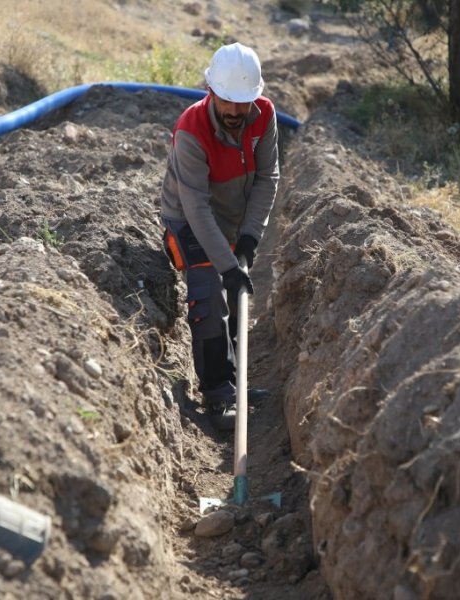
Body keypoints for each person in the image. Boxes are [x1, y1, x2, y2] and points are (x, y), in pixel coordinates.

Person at [160, 42, 279, 430]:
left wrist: (249, 238)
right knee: (210, 290)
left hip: (233, 219)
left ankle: (234, 383)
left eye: (240, 103)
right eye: (225, 100)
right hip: (189, 218)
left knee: (236, 293)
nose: (232, 111)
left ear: (254, 98)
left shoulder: (264, 117)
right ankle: (216, 395)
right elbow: (196, 208)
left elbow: (266, 178)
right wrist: (228, 265)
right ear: (210, 92)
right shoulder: (190, 132)